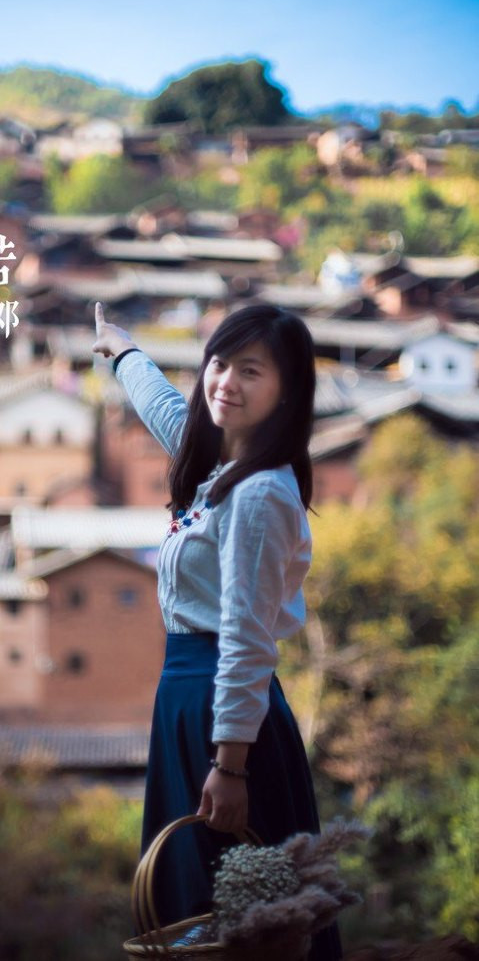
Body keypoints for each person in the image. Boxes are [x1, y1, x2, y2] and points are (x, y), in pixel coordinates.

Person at [92, 301, 343, 960]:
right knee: (201, 905)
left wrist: (228, 764)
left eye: (250, 371)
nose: (226, 380)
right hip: (187, 699)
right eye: (220, 363)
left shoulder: (259, 494)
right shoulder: (219, 467)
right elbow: (171, 414)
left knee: (239, 915)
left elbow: (246, 638)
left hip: (223, 712)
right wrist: (124, 352)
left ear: (287, 390)